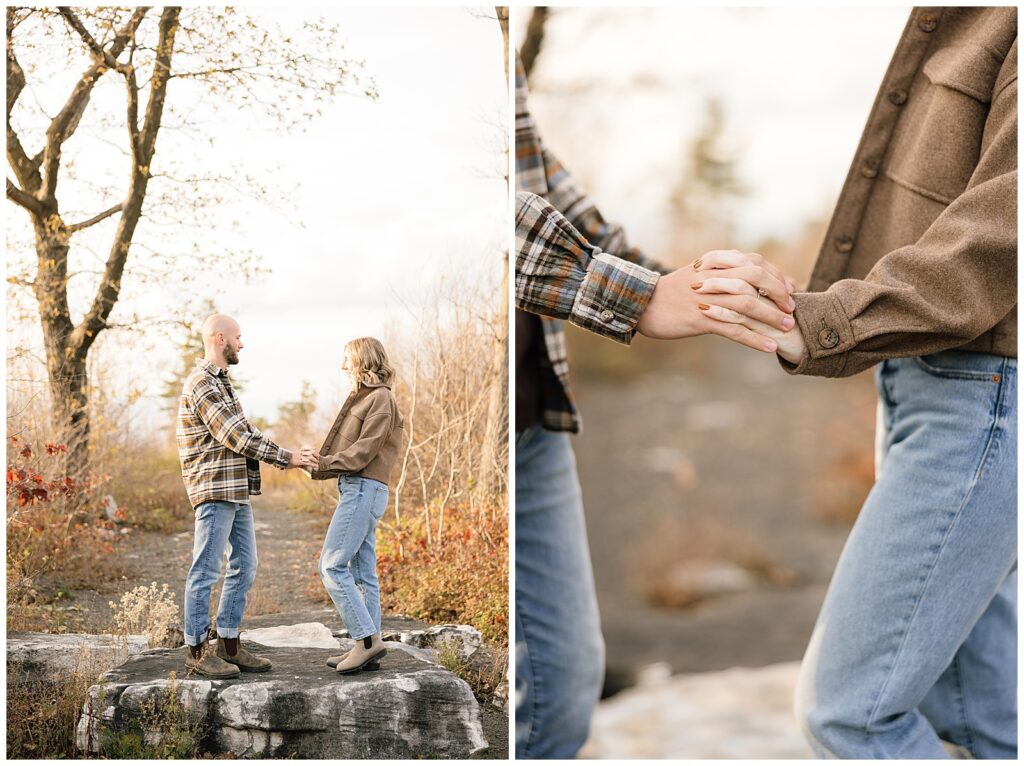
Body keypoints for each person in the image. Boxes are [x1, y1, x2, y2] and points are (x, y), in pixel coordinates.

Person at [719, 7, 1017, 758]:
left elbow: (1005, 229)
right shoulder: (965, 16)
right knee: (983, 721)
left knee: (848, 716)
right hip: (931, 382)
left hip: (982, 397)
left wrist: (830, 320)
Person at [513, 51, 796, 758]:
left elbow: (539, 180)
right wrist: (635, 299)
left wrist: (675, 285)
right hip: (483, 419)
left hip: (533, 416)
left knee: (564, 683)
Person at [176, 313, 317, 678]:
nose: (242, 343)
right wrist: (288, 458)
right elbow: (237, 436)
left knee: (245, 565)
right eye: (238, 337)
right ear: (219, 338)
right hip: (215, 489)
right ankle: (196, 652)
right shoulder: (201, 384)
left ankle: (229, 644)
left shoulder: (221, 383)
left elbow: (246, 430)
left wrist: (289, 456)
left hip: (236, 490)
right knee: (205, 570)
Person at [306, 337, 405, 674]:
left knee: (331, 565)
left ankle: (366, 641)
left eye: (346, 359)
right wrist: (323, 461)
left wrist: (323, 463)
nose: (342, 366)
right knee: (363, 573)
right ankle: (368, 646)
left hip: (363, 489)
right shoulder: (366, 398)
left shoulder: (380, 399)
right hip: (359, 487)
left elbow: (364, 450)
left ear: (362, 361)